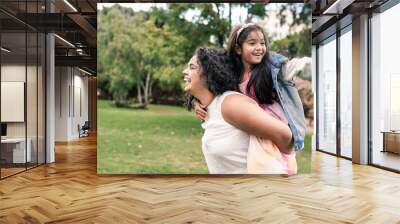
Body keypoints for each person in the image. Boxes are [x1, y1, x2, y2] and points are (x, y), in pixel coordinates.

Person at [194, 23, 306, 174]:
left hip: (271, 122)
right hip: (251, 126)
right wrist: (196, 103)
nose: (259, 47)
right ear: (238, 49)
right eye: (252, 43)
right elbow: (206, 86)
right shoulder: (231, 74)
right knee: (256, 164)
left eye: (262, 43)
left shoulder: (271, 69)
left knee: (273, 163)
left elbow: (293, 69)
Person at [183, 47, 293, 174]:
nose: (184, 72)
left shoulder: (230, 104)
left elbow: (284, 136)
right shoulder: (211, 107)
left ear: (209, 73)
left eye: (192, 67)